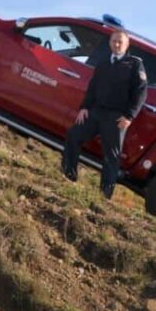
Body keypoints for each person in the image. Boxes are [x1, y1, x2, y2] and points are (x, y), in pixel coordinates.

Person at [61, 29, 148, 199]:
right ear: (110, 42)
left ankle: (105, 195)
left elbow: (141, 93)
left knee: (111, 156)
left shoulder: (134, 64)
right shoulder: (103, 63)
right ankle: (68, 175)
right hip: (95, 112)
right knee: (73, 135)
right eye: (114, 41)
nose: (116, 45)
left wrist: (129, 116)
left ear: (127, 45)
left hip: (116, 117)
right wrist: (84, 107)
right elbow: (93, 87)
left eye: (120, 42)